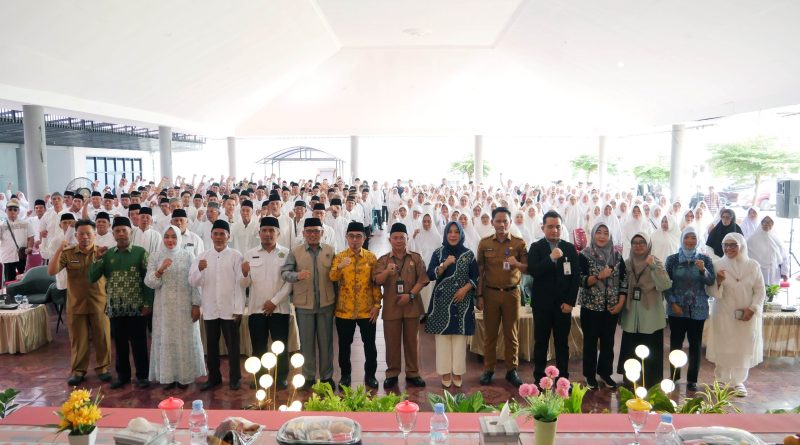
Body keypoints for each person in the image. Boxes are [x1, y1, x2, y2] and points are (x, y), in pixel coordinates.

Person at [47, 219, 112, 386]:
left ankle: (103, 368)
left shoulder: (103, 253)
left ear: (95, 235)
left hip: (99, 303)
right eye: (81, 234)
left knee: (102, 338)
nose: (85, 237)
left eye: (88, 234)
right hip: (76, 305)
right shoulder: (68, 253)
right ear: (76, 236)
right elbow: (51, 271)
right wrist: (59, 250)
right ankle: (78, 371)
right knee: (78, 340)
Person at [89, 216, 151, 389]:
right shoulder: (107, 255)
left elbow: (148, 281)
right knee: (120, 344)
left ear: (130, 232)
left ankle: (142, 376)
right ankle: (122, 376)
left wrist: (148, 303)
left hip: (137, 308)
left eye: (124, 230)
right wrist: (97, 259)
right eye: (117, 231)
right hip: (115, 308)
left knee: (139, 344)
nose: (121, 234)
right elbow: (92, 277)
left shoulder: (141, 253)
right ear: (113, 234)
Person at [144, 225, 206, 390]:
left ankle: (184, 377)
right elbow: (150, 283)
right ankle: (168, 377)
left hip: (184, 307)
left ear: (179, 238)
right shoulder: (155, 256)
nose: (170, 240)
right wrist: (161, 269)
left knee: (183, 340)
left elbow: (195, 283)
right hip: (163, 309)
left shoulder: (188, 255)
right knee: (167, 340)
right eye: (167, 236)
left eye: (174, 237)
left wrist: (196, 305)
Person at [706, 233, 765, 397]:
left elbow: (760, 290)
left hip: (746, 314)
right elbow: (711, 292)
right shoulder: (717, 264)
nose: (729, 248)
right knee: (724, 344)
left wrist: (752, 309)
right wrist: (717, 280)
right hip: (723, 312)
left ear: (742, 246)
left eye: (733, 245)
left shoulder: (753, 266)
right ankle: (721, 380)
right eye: (726, 245)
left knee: (743, 345)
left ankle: (739, 381)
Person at [189, 219, 245, 390]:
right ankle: (214, 378)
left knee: (233, 346)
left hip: (230, 309)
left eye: (222, 234)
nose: (219, 237)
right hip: (211, 309)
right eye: (216, 234)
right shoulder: (202, 257)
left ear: (228, 236)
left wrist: (238, 309)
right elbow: (193, 282)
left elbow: (240, 284)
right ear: (211, 235)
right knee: (211, 346)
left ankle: (235, 378)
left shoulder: (236, 256)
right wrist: (199, 269)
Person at [281, 217, 336, 390]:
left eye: (316, 231)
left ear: (322, 233)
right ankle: (309, 376)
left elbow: (336, 278)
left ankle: (327, 377)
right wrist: (297, 276)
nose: (313, 235)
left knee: (326, 343)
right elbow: (284, 272)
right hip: (304, 305)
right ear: (303, 233)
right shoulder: (296, 251)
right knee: (306, 343)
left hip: (326, 304)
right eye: (309, 232)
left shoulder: (330, 250)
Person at [374, 223, 430, 390]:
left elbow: (423, 280)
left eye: (402, 238)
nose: (398, 241)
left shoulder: (415, 258)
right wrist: (387, 272)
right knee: (391, 342)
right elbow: (376, 280)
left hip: (411, 305)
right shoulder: (384, 260)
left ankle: (413, 373)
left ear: (407, 239)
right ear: (389, 239)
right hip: (392, 307)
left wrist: (410, 295)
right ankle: (392, 373)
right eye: (395, 238)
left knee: (412, 341)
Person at [477, 207, 528, 387]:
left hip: (511, 294)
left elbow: (528, 269)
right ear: (492, 223)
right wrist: (479, 295)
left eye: (505, 221)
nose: (501, 224)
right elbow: (480, 272)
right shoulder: (484, 244)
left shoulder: (519, 243)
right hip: (490, 293)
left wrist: (518, 264)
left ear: (510, 222)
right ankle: (488, 369)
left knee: (511, 334)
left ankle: (511, 370)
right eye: (498, 221)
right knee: (490, 334)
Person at [528, 210, 580, 383]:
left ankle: (563, 378)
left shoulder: (569, 248)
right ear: (543, 228)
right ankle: (539, 379)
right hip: (542, 306)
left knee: (562, 344)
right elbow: (534, 271)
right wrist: (551, 258)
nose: (554, 230)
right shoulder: (536, 247)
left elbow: (575, 278)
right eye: (550, 227)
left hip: (562, 306)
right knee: (541, 344)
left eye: (558, 226)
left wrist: (570, 302)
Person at [425, 221, 478, 388]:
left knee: (460, 339)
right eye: (450, 232)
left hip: (462, 303)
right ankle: (445, 372)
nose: (453, 235)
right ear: (446, 234)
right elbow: (430, 275)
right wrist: (444, 264)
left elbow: (475, 277)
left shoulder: (469, 254)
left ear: (461, 234)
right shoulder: (438, 252)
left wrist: (465, 290)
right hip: (441, 304)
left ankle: (457, 372)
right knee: (442, 340)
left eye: (456, 232)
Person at [329, 221, 382, 389]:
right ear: (346, 237)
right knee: (344, 346)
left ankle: (370, 375)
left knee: (370, 345)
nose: (354, 240)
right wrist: (339, 267)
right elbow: (332, 277)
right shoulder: (340, 257)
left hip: (367, 311)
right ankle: (345, 375)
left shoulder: (371, 258)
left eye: (358, 236)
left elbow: (376, 283)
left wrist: (377, 305)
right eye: (351, 236)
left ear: (364, 238)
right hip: (344, 311)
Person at [240, 217, 291, 389]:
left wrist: (274, 301)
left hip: (280, 308)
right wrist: (245, 274)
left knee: (280, 346)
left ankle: (281, 377)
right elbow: (244, 284)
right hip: (256, 309)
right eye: (264, 230)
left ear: (278, 233)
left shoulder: (287, 253)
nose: (268, 234)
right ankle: (260, 377)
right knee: (258, 346)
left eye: (271, 230)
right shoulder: (250, 253)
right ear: (259, 233)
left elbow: (289, 282)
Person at [617, 232, 672, 388]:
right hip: (631, 312)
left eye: (642, 242)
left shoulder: (655, 261)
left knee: (650, 346)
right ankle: (630, 379)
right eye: (635, 242)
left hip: (651, 313)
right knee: (631, 346)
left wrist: (653, 266)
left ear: (648, 245)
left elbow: (665, 284)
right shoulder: (627, 263)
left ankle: (651, 379)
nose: (638, 245)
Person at [664, 227, 715, 392]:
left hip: (698, 309)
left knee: (695, 345)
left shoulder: (704, 260)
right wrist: (672, 303)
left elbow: (710, 281)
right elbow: (666, 284)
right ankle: (674, 376)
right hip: (677, 309)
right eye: (687, 238)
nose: (690, 241)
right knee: (676, 344)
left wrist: (703, 270)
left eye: (693, 238)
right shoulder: (672, 260)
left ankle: (692, 379)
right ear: (682, 239)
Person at [578, 223, 627, 389]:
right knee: (590, 343)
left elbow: (623, 281)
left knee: (608, 343)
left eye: (606, 233)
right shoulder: (584, 255)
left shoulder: (617, 256)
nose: (602, 236)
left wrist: (620, 303)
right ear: (593, 235)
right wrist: (599, 276)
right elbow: (581, 280)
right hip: (591, 307)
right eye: (598, 232)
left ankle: (605, 373)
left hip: (611, 308)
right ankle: (590, 375)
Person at [747, 216, 789, 286]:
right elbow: (746, 256)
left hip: (773, 271)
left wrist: (785, 272)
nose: (766, 224)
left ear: (773, 224)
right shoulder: (752, 238)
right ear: (761, 223)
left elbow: (785, 256)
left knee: (771, 293)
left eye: (769, 222)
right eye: (764, 222)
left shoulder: (777, 238)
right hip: (758, 271)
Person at [1, 200, 34, 285]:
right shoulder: (1, 225)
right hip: (8, 257)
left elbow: (31, 237)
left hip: (22, 256)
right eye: (10, 209)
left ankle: (25, 297)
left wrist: (30, 247)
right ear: (6, 211)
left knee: (24, 280)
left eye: (15, 209)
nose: (12, 211)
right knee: (10, 282)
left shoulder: (26, 223)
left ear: (18, 211)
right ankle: (11, 297)